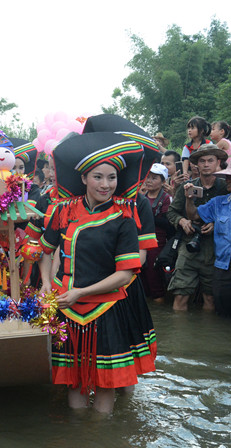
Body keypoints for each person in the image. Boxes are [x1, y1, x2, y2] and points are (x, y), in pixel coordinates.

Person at [38, 132, 155, 413]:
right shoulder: (63, 211)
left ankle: (103, 445)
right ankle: (82, 444)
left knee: (106, 384)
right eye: (98, 177)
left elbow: (125, 276)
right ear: (83, 179)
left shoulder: (124, 218)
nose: (106, 184)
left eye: (112, 178)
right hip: (66, 307)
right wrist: (45, 284)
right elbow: (44, 252)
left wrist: (81, 292)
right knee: (73, 381)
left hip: (105, 310)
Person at [184, 156, 231, 318]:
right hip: (222, 266)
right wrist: (189, 201)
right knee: (222, 310)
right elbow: (194, 215)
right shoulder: (218, 203)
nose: (227, 180)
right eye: (227, 176)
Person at [166, 143, 228, 312]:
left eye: (210, 160)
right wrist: (182, 221)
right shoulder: (188, 186)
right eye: (202, 161)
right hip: (189, 244)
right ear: (196, 164)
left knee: (210, 297)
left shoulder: (226, 187)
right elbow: (172, 211)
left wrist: (216, 224)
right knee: (180, 294)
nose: (206, 164)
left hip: (216, 247)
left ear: (218, 163)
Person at [140, 163, 172, 300]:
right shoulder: (141, 197)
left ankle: (159, 301)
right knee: (141, 276)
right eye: (148, 177)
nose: (149, 181)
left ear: (163, 181)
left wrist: (147, 217)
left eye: (154, 178)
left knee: (154, 277)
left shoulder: (166, 199)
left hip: (157, 243)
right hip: (140, 242)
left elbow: (168, 224)